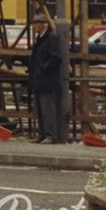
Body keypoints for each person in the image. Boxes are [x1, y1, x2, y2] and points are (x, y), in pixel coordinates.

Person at [28, 16, 62, 144]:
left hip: (47, 79)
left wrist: (43, 68)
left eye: (36, 23)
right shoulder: (41, 39)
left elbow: (56, 58)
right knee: (40, 108)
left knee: (47, 108)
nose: (34, 26)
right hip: (39, 79)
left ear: (43, 24)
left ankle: (50, 134)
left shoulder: (51, 38)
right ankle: (42, 133)